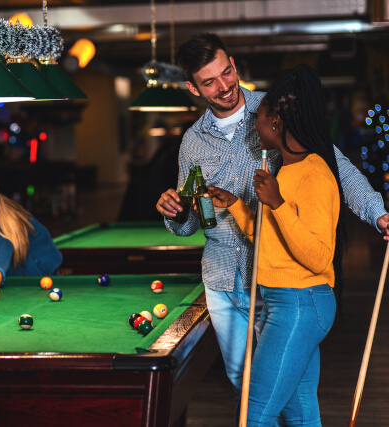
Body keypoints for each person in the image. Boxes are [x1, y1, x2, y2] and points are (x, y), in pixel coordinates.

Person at [155, 33, 389, 421]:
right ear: (192, 87)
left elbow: (336, 167)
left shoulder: (274, 109)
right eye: (210, 81)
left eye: (227, 72)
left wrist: (376, 211)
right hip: (224, 282)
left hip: (282, 277)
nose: (225, 86)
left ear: (233, 62)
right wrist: (176, 213)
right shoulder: (192, 143)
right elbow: (192, 220)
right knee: (246, 382)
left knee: (266, 393)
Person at [207, 64, 341, 425]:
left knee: (252, 415)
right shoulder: (285, 169)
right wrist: (235, 202)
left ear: (278, 123)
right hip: (287, 302)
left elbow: (317, 256)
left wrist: (278, 204)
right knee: (299, 415)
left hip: (300, 303)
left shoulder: (314, 173)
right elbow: (269, 239)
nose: (255, 125)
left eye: (260, 117)